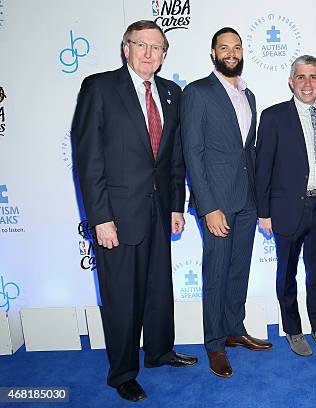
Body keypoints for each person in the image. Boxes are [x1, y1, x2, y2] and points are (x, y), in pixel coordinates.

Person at [73, 20, 197, 402]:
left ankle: (159, 351)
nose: (148, 53)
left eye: (157, 47)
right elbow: (88, 159)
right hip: (118, 215)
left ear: (164, 55)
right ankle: (123, 372)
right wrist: (100, 218)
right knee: (122, 297)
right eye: (140, 45)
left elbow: (174, 158)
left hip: (160, 212)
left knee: (160, 288)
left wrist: (177, 205)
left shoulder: (172, 93)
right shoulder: (100, 88)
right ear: (125, 48)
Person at [181, 27, 272, 378]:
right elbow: (193, 151)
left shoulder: (248, 95)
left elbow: (247, 150)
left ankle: (235, 329)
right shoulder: (198, 93)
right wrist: (208, 206)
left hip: (246, 199)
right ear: (213, 53)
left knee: (238, 270)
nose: (231, 53)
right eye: (224, 48)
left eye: (236, 47)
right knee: (216, 273)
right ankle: (215, 344)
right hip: (217, 201)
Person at [255, 55, 316, 357]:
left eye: (313, 76)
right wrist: (264, 213)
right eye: (301, 77)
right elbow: (263, 169)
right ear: (291, 81)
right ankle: (293, 330)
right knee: (287, 274)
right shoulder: (273, 116)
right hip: (287, 210)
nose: (307, 83)